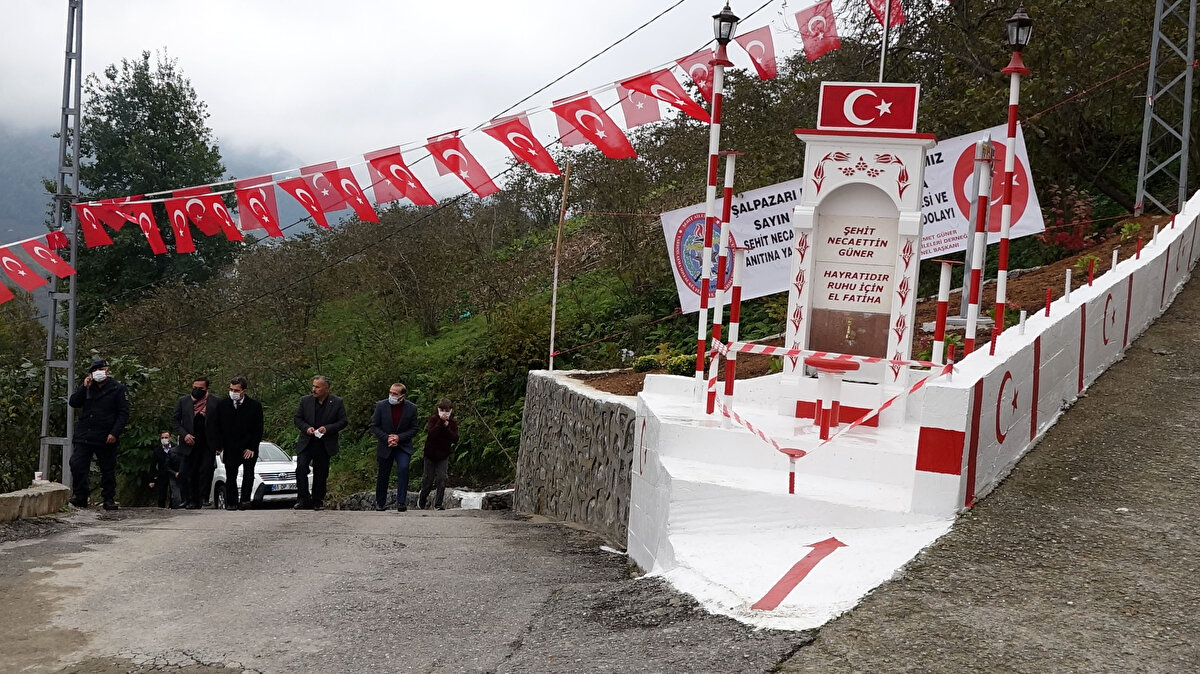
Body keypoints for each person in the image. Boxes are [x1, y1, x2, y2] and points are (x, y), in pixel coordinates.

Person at [68, 358, 129, 510]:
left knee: (107, 468)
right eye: (95, 370)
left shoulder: (118, 388)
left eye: (101, 369)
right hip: (85, 434)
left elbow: (123, 413)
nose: (98, 373)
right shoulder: (88, 387)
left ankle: (108, 498)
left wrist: (114, 433)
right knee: (76, 464)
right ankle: (80, 495)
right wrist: (83, 387)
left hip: (106, 435)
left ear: (107, 371)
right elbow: (74, 402)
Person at [208, 376, 264, 510]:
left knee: (248, 474)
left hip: (248, 446)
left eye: (236, 390)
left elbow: (258, 428)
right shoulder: (222, 405)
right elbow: (216, 426)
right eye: (231, 389)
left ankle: (245, 501)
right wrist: (218, 446)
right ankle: (231, 502)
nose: (233, 392)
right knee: (230, 474)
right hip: (230, 446)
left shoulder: (254, 406)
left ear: (244, 391)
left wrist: (252, 447)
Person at [293, 376, 348, 511]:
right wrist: (306, 428)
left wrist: (328, 428)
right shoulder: (305, 401)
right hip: (307, 441)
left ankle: (317, 500)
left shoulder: (336, 402)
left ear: (326, 389)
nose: (314, 389)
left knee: (321, 472)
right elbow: (297, 418)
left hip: (324, 443)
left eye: (317, 387)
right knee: (301, 467)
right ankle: (303, 498)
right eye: (313, 386)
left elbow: (343, 421)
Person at [370, 383, 418, 512]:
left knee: (403, 468)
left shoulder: (411, 408)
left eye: (395, 394)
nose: (392, 396)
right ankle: (380, 503)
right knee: (383, 473)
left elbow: (414, 428)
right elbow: (374, 425)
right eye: (390, 392)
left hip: (403, 446)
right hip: (385, 445)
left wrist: (399, 437)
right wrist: (387, 438)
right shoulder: (381, 406)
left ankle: (401, 502)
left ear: (402, 396)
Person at [172, 376, 218, 509]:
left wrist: (219, 443)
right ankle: (190, 500)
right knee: (188, 472)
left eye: (200, 388)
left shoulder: (215, 402)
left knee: (205, 470)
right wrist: (184, 434)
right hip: (189, 443)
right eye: (194, 388)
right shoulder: (183, 401)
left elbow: (221, 423)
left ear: (207, 389)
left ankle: (202, 498)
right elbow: (175, 421)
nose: (197, 390)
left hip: (207, 443)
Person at [418, 398, 458, 510]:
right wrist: (440, 423)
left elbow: (455, 438)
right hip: (430, 454)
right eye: (442, 410)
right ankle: (422, 497)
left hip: (443, 454)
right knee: (428, 479)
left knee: (442, 478)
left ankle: (438, 503)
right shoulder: (433, 419)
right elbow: (431, 434)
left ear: (451, 410)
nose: (444, 413)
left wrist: (447, 427)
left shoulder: (453, 423)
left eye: (446, 410)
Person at [147, 431, 184, 508]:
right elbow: (153, 465)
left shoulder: (175, 449)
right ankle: (161, 510)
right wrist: (151, 480)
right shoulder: (157, 451)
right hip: (162, 475)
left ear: (170, 438)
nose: (164, 439)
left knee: (174, 494)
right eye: (162, 438)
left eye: (166, 437)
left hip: (173, 474)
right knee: (162, 495)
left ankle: (173, 508)